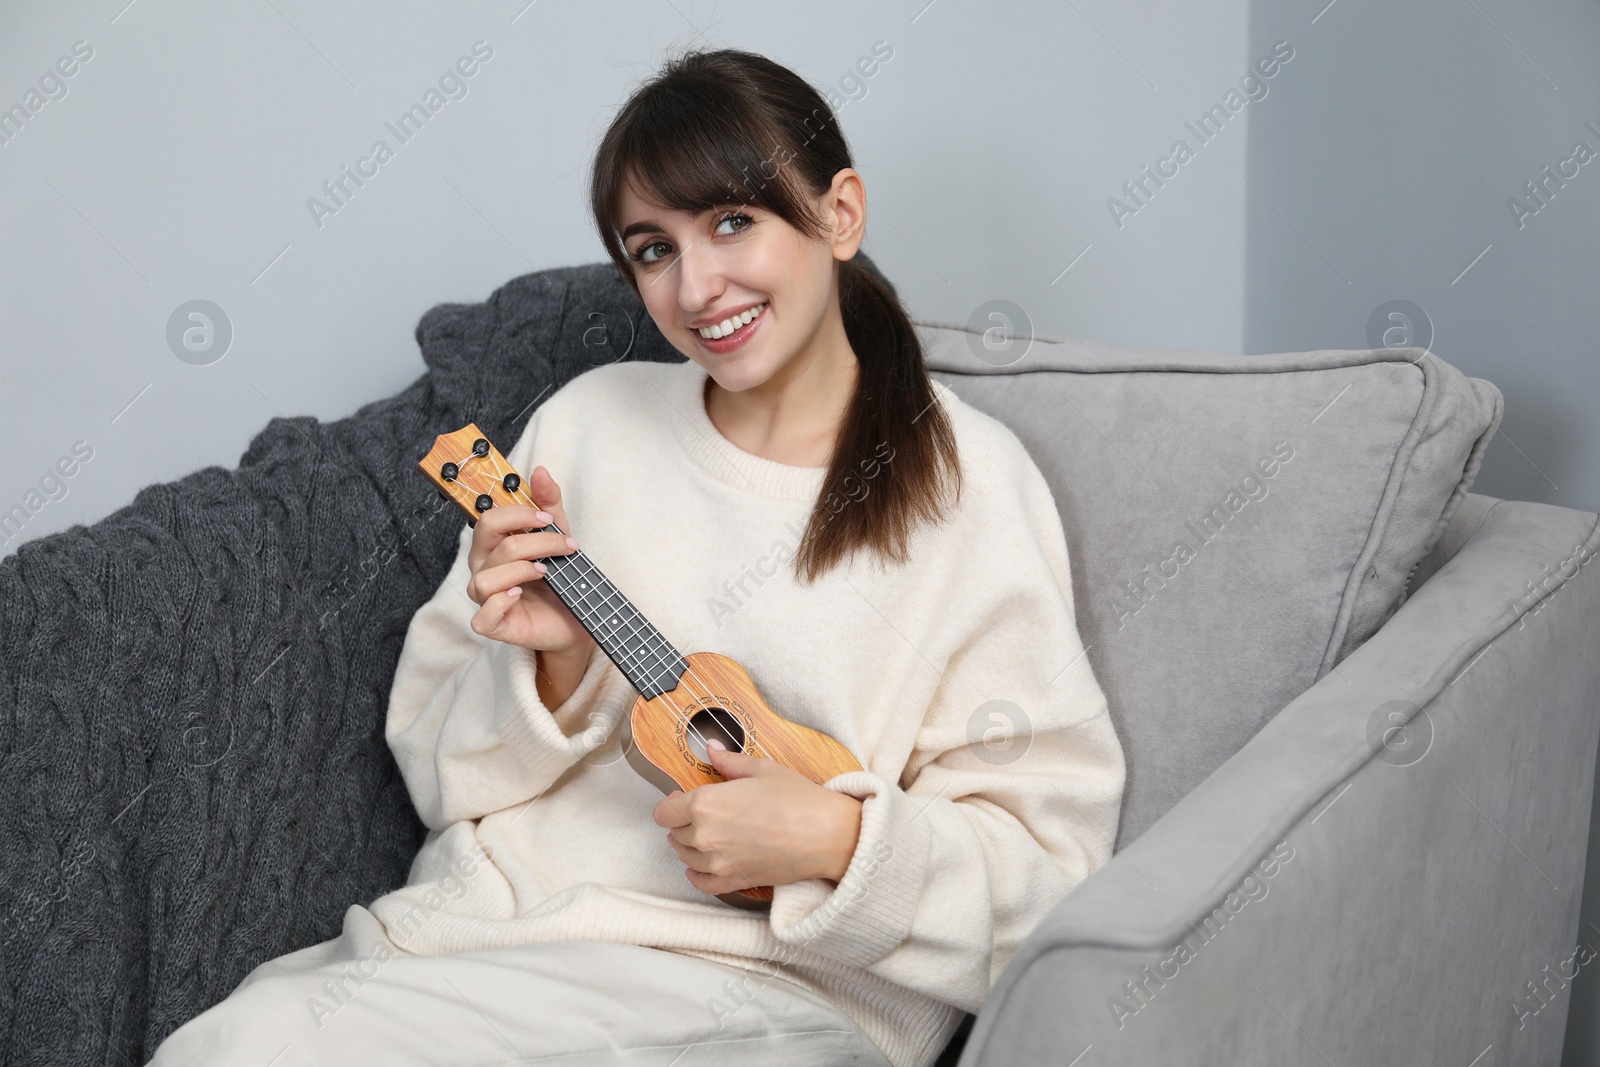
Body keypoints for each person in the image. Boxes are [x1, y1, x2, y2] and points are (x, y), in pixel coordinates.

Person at [146, 46, 1125, 1067]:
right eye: (652, 248)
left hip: (780, 1003)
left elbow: (1050, 879)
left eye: (732, 222)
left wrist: (838, 845)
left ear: (839, 214)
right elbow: (438, 775)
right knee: (235, 1045)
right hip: (500, 952)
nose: (697, 285)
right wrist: (550, 668)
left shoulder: (971, 486)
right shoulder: (586, 425)